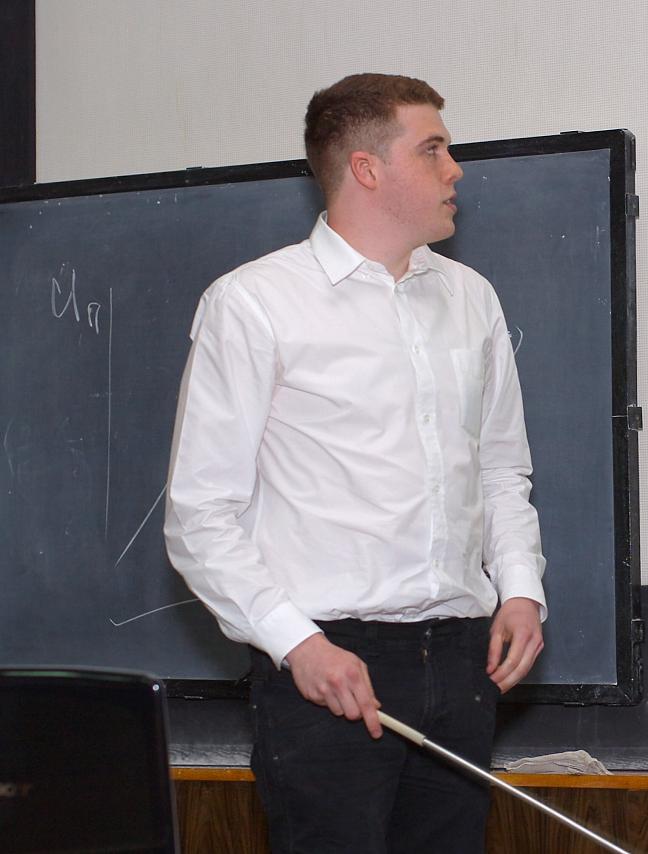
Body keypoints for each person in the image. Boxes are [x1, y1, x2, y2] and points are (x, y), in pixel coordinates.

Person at [164, 73, 546, 853]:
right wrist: (297, 645)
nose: (455, 169)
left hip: (464, 656)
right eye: (433, 149)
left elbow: (501, 471)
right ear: (367, 169)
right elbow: (200, 515)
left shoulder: (472, 297)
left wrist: (521, 590)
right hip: (328, 662)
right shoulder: (254, 303)